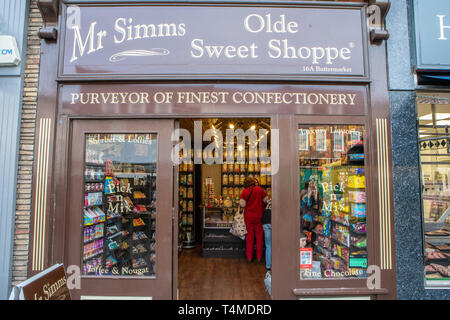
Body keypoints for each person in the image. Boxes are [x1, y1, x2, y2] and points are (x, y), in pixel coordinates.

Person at [240, 176, 269, 263]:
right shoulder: (259, 190)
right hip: (259, 216)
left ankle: (249, 257)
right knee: (259, 237)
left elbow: (242, 204)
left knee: (249, 237)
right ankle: (259, 257)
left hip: (248, 217)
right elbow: (266, 200)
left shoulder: (244, 192)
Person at [262, 199, 272, 270]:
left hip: (265, 224)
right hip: (273, 223)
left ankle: (268, 265)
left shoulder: (265, 211)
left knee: (268, 245)